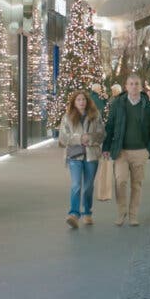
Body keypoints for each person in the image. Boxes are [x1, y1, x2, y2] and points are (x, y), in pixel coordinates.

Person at [102, 74, 150, 226]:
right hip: (121, 151)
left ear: (141, 87)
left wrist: (149, 149)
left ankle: (133, 215)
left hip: (140, 151)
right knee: (120, 181)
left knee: (136, 184)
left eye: (136, 84)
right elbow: (110, 126)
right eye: (131, 84)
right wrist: (106, 147)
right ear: (126, 86)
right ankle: (121, 212)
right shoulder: (118, 104)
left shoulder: (148, 106)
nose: (134, 86)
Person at [58, 90, 103, 229]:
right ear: (74, 102)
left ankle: (87, 213)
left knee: (88, 186)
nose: (81, 102)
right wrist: (79, 138)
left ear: (87, 101)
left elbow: (102, 134)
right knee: (76, 185)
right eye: (78, 100)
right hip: (74, 156)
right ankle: (74, 214)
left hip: (91, 156)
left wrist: (89, 138)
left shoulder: (95, 116)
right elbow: (63, 138)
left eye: (83, 99)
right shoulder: (67, 117)